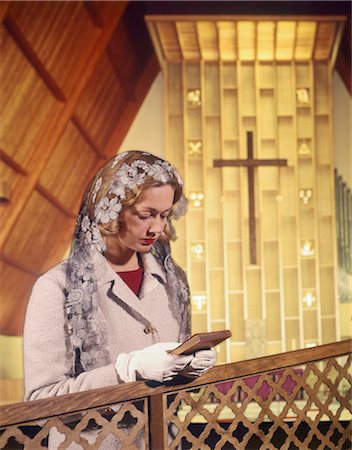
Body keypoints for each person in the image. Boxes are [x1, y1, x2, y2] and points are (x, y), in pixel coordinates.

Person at [23, 150, 216, 447]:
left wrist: (189, 365)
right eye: (145, 215)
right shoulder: (56, 288)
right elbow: (40, 406)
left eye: (164, 215)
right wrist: (123, 372)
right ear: (110, 210)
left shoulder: (172, 281)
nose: (157, 228)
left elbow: (168, 386)